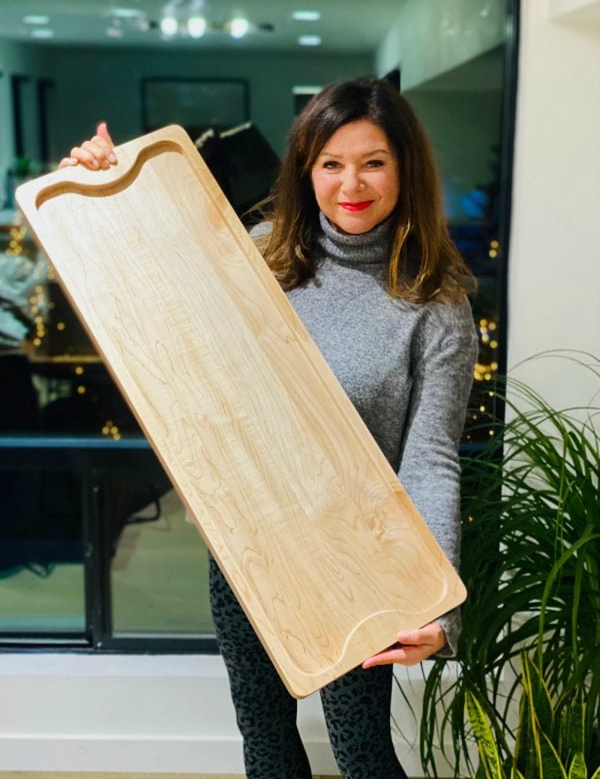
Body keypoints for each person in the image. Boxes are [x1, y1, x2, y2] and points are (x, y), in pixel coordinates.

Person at [61, 77, 478, 779]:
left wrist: (440, 607)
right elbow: (151, 283)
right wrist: (107, 187)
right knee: (263, 733)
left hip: (359, 567)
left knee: (361, 751)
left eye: (374, 161)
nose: (352, 183)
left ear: (405, 168)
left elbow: (429, 459)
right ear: (305, 169)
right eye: (331, 163)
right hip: (251, 550)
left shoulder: (436, 305)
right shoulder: (259, 256)